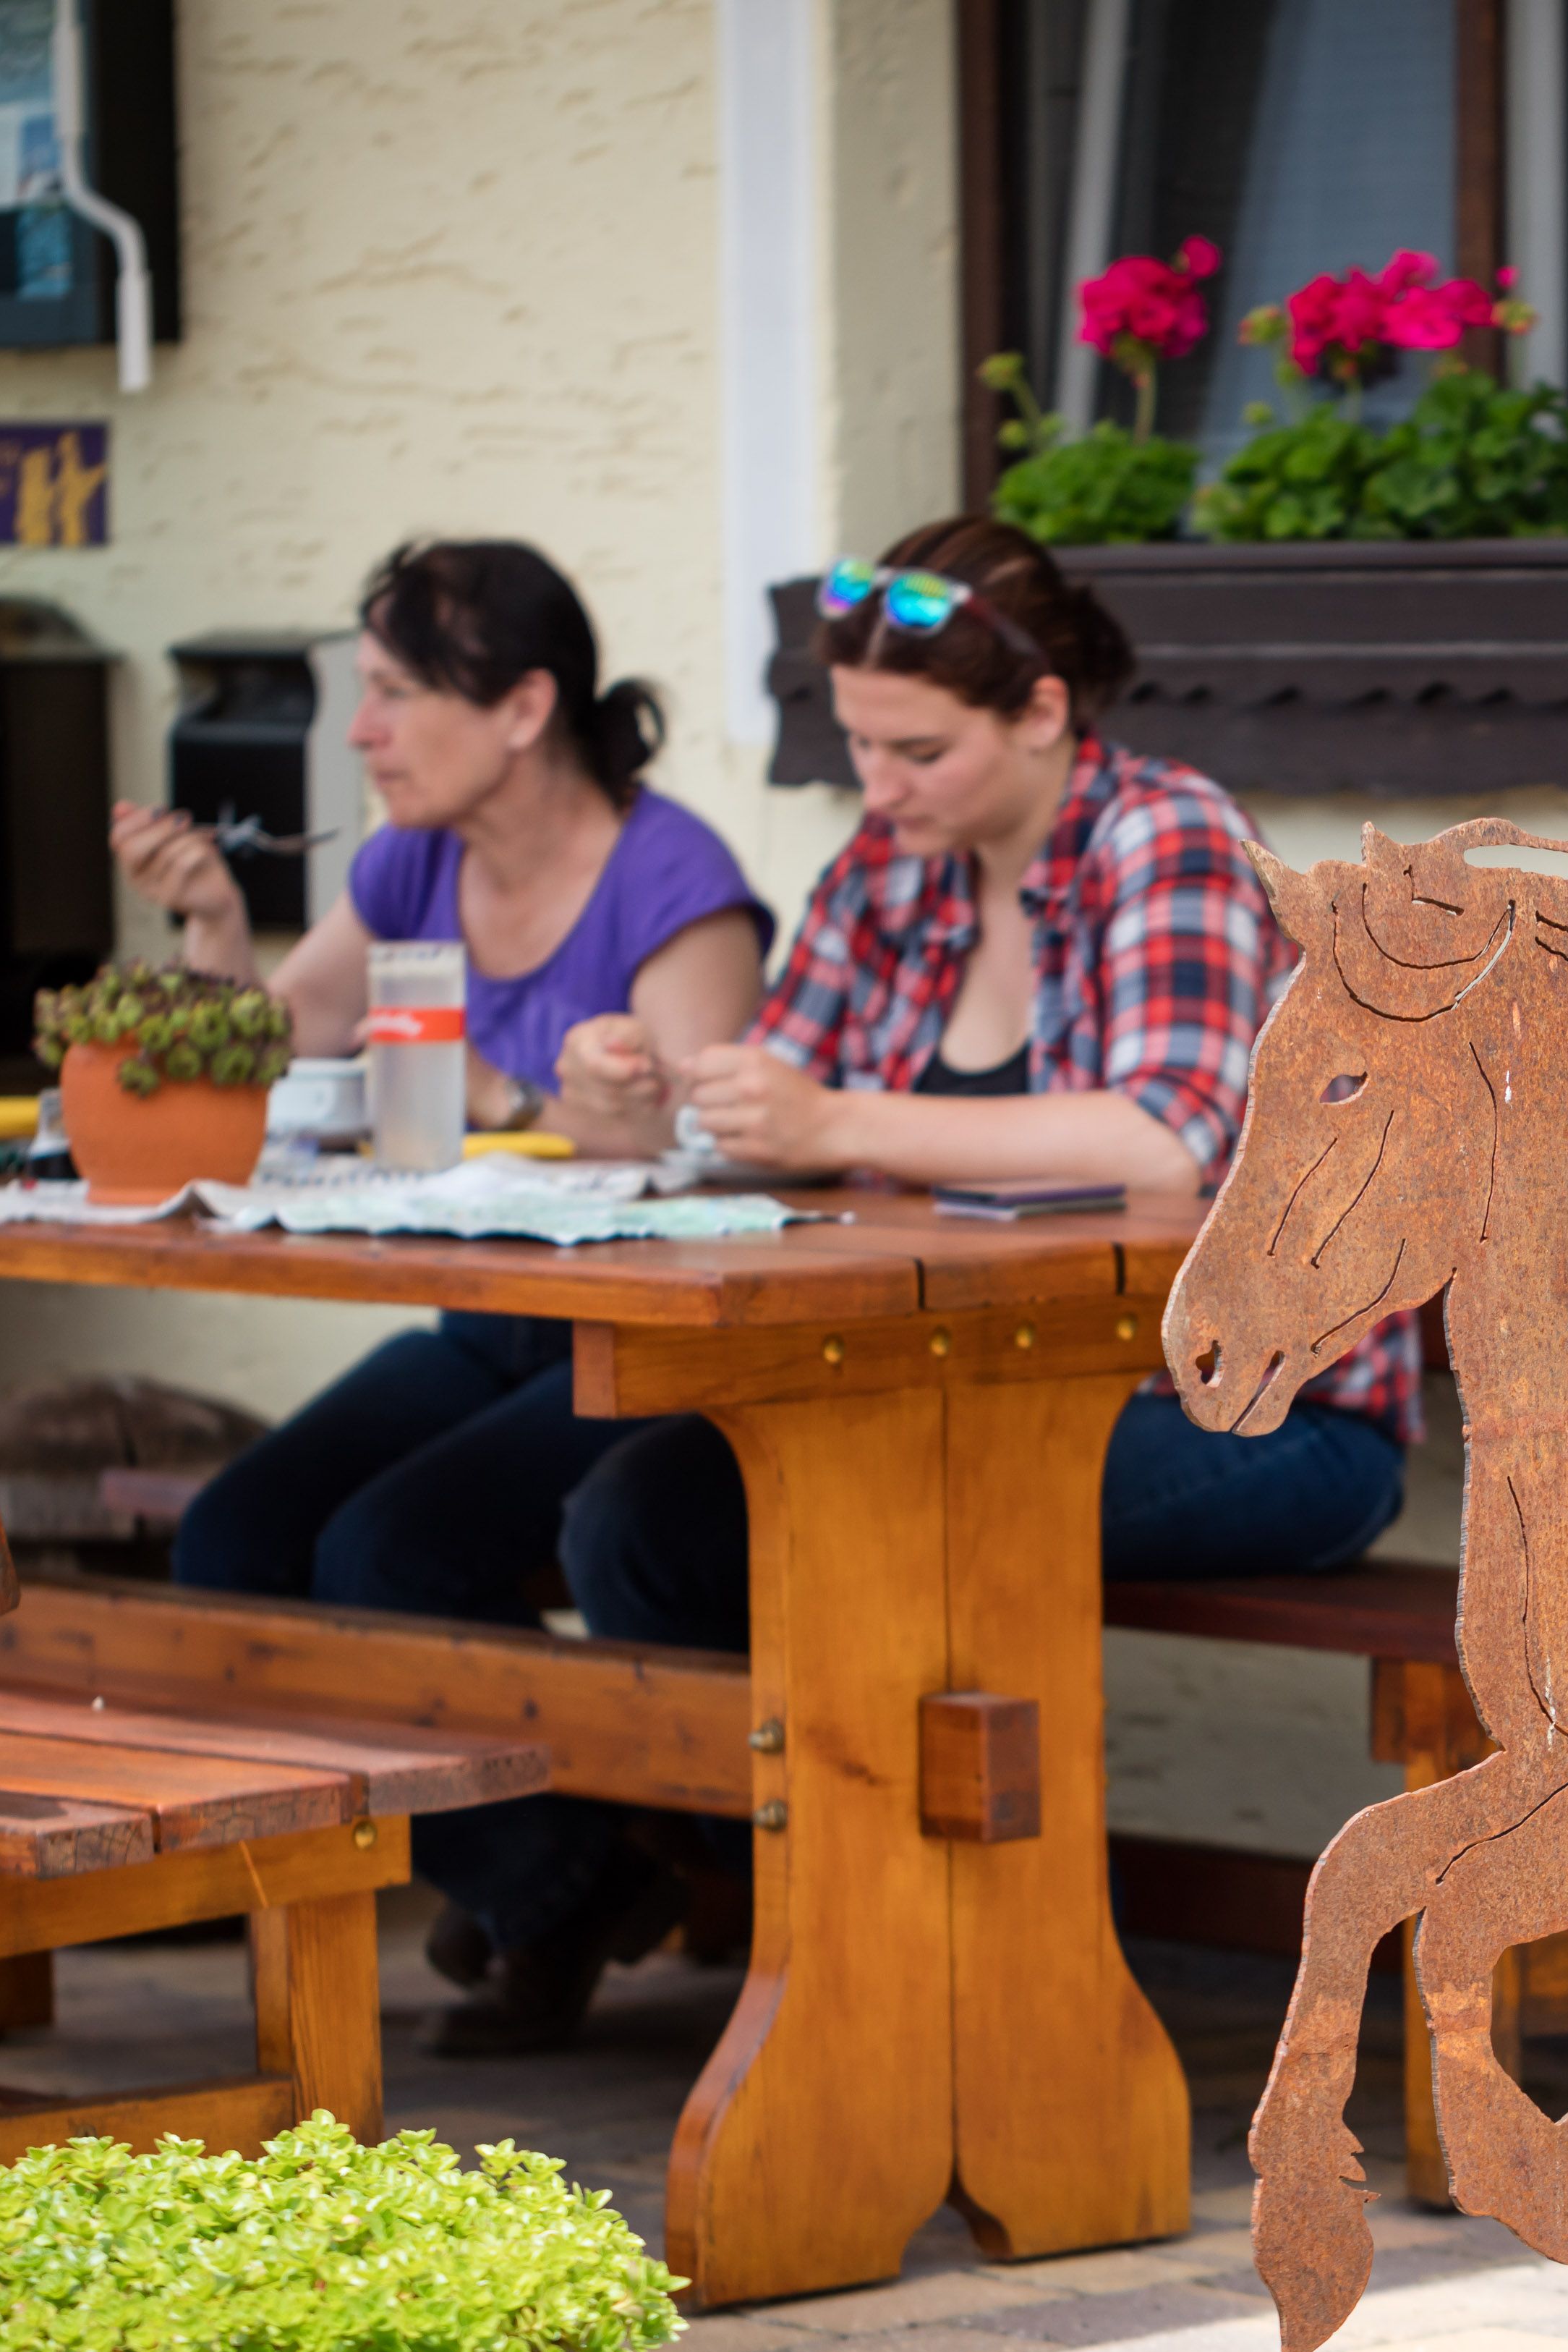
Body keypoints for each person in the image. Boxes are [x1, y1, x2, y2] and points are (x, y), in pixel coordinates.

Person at [414, 516, 1423, 2052]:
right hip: (962, 1374)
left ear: (1042, 715)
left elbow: (1166, 1137)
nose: (874, 785)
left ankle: (923, 1981)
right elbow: (784, 1113)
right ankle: (784, 1910)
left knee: (849, 1512)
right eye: (858, 742)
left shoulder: (1171, 838)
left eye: (915, 749)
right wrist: (651, 1102)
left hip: (1252, 1414)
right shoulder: (896, 866)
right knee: (639, 1516)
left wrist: (833, 1124)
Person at [121, 540, 770, 2012]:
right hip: (491, 1323)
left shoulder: (675, 883)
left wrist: (506, 1087)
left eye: (396, 694)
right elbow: (263, 1046)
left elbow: (704, 1157)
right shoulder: (409, 863)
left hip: (639, 1341)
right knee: (234, 1539)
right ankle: (561, 1873)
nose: (361, 732)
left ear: (526, 706)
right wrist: (217, 928)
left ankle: (556, 1885)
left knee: (383, 1554)